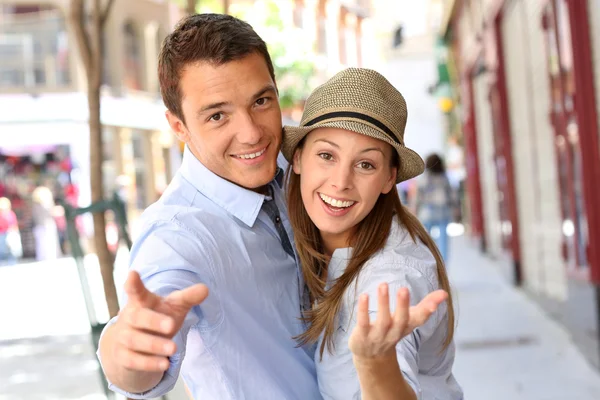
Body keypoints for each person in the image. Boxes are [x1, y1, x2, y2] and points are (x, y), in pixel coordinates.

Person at [97, 14, 444, 400]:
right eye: (217, 115)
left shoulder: (301, 170)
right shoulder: (177, 236)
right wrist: (125, 352)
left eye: (261, 101)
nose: (251, 133)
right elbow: (142, 343)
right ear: (178, 126)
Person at [283, 68, 463, 399]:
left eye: (365, 164)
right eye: (326, 155)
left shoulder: (393, 275)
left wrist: (375, 362)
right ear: (298, 159)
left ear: (389, 178)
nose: (341, 181)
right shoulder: (308, 242)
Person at [416, 153, 455, 261]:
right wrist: (455, 208)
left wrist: (415, 210)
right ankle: (443, 267)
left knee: (426, 242)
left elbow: (419, 196)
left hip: (427, 212)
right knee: (443, 243)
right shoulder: (444, 177)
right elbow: (451, 195)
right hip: (443, 212)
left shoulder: (425, 177)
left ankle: (429, 263)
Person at [0, 197, 21, 263]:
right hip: (2, 235)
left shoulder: (11, 214)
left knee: (12, 252)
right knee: (3, 252)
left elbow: (15, 224)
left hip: (10, 235)